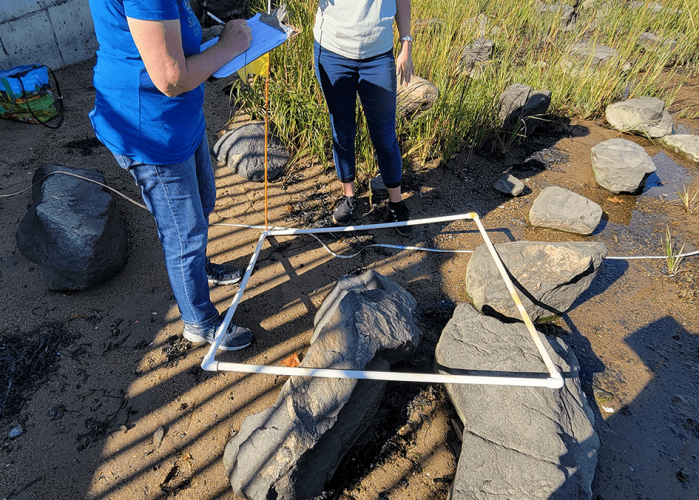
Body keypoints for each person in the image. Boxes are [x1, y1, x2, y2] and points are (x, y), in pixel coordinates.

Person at [88, 0, 255, 350]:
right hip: (150, 127)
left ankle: (199, 268)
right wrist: (227, 48)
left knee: (204, 200)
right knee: (184, 231)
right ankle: (199, 320)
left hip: (178, 118)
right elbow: (171, 77)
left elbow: (163, 35)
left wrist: (211, 39)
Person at [313, 0, 414, 236]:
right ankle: (348, 197)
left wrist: (406, 43)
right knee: (342, 129)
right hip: (331, 51)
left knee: (385, 134)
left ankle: (396, 203)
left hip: (378, 55)